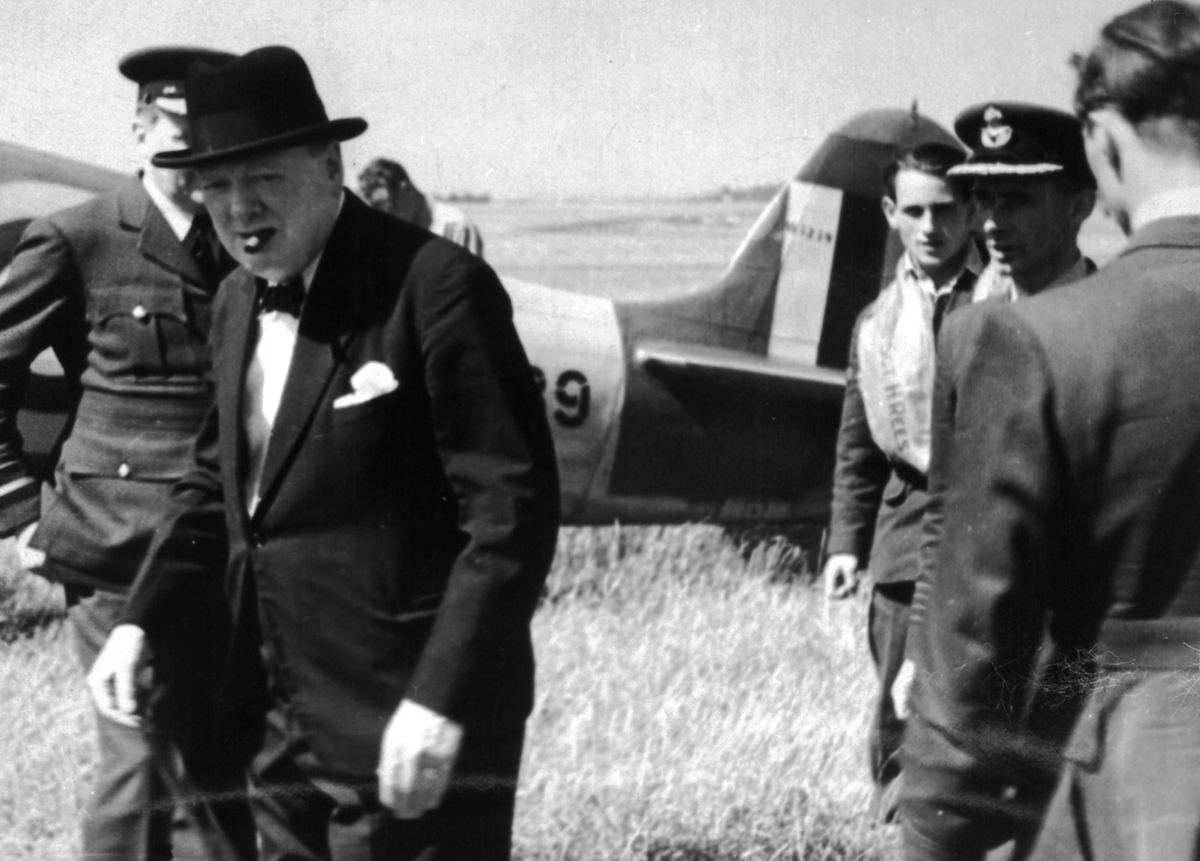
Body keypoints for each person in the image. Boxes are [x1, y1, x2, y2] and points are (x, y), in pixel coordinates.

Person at [86, 46, 560, 861]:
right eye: (217, 185)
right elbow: (214, 487)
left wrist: (439, 699)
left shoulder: (435, 287)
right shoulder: (236, 299)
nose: (237, 209)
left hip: (409, 724)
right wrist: (140, 621)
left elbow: (510, 515)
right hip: (275, 726)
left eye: (262, 178)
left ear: (330, 165)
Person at [899, 3, 1200, 858]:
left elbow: (970, 661)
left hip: (1126, 792)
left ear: (1101, 143)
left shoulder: (1040, 341)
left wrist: (935, 832)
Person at [0, 46, 255, 861]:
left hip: (223, 545)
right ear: (140, 133)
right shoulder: (78, 237)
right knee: (140, 764)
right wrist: (18, 512)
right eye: (176, 130)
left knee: (218, 769)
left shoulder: (251, 242)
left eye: (207, 134)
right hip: (116, 545)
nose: (191, 151)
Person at [821, 142, 979, 820]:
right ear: (890, 213)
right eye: (913, 210)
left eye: (945, 209)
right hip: (904, 537)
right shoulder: (875, 322)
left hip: (985, 525)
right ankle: (901, 818)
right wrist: (846, 543)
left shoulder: (1004, 298)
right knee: (893, 696)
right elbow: (857, 444)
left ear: (972, 210)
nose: (930, 227)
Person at [950, 102, 1098, 300]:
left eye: (1016, 200)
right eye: (984, 200)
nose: (992, 224)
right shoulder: (966, 311)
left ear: (1080, 207)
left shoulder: (1112, 315)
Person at [358, 157, 485, 257]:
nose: (386, 217)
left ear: (406, 190)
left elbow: (472, 285)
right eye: (378, 211)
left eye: (388, 206)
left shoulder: (456, 227)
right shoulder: (390, 235)